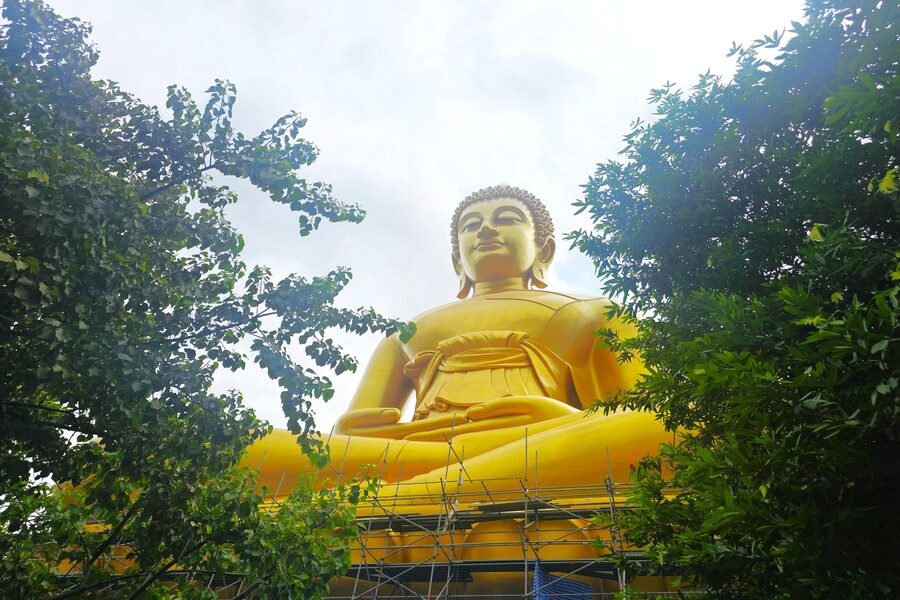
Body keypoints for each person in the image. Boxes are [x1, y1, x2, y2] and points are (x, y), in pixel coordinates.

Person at [248, 185, 668, 498]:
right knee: (244, 450)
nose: (486, 229)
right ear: (457, 260)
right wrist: (359, 428)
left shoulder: (596, 311)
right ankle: (463, 485)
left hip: (544, 437)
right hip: (426, 451)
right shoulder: (405, 331)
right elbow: (347, 429)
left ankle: (394, 500)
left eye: (506, 218)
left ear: (545, 247)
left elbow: (642, 409)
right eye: (471, 226)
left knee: (667, 426)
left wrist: (563, 420)